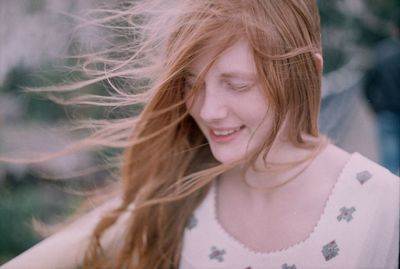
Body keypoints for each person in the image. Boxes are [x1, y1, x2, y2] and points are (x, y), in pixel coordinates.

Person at [1, 0, 399, 268]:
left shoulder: (385, 209)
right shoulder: (181, 190)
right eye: (192, 83)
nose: (207, 110)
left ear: (308, 73)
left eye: (237, 84)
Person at [363, 16, 400, 176]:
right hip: (388, 111)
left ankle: (391, 194)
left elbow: (368, 83)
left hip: (386, 111)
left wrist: (373, 106)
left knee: (389, 159)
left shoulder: (381, 51)